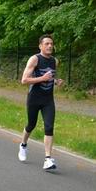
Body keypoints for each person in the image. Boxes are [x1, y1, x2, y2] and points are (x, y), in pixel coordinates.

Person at [18, 34, 64, 170]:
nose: (50, 46)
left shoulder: (55, 61)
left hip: (48, 99)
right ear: (40, 46)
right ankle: (23, 144)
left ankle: (48, 159)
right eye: (47, 44)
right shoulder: (34, 59)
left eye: (51, 44)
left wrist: (56, 81)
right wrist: (42, 78)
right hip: (34, 98)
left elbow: (50, 77)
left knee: (49, 127)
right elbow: (24, 80)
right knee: (31, 125)